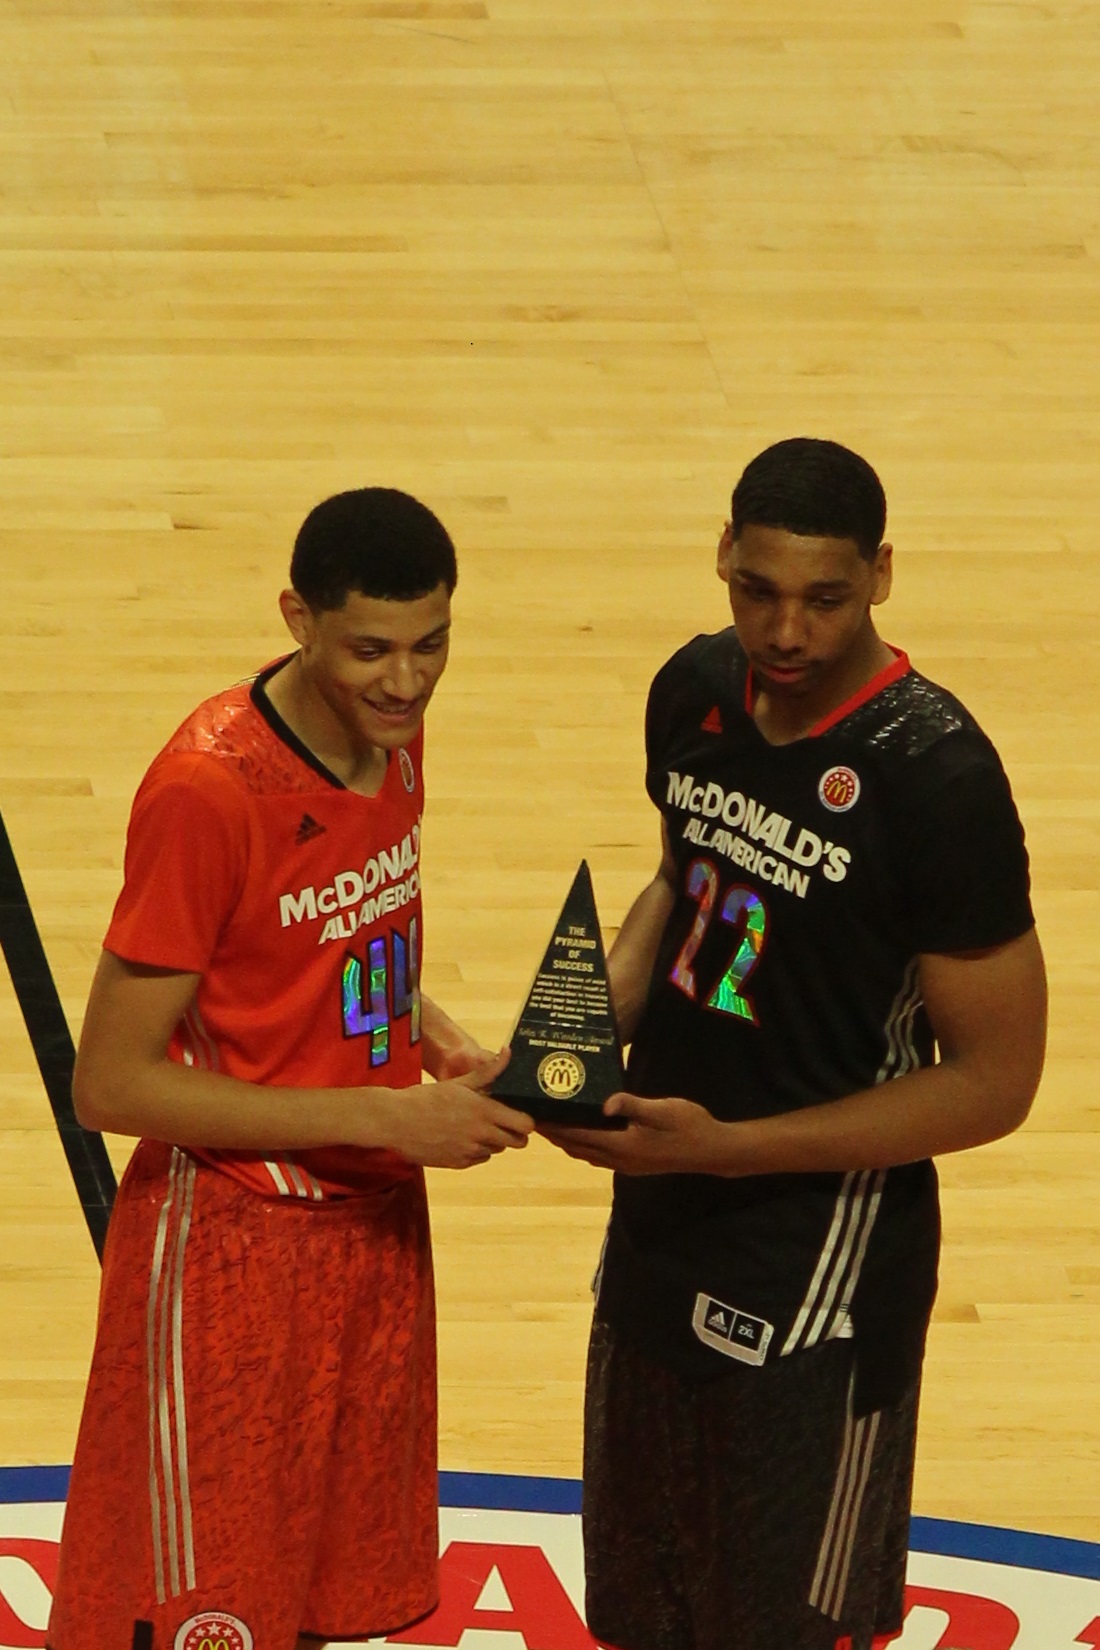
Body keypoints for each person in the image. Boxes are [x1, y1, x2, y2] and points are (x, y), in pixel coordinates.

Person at [545, 439, 1046, 1650]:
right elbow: (680, 875)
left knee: (779, 1631)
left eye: (821, 598)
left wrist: (733, 1151)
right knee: (640, 1612)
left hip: (819, 1277)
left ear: (879, 574)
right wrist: (573, 1039)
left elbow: (993, 1084)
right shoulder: (692, 692)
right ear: (721, 557)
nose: (783, 630)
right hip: (658, 1212)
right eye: (756, 589)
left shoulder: (938, 781)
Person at [47, 488, 534, 1650]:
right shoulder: (210, 791)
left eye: (431, 647)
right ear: (297, 619)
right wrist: (385, 1111)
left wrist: (436, 1038)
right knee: (207, 1621)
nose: (406, 683)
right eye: (370, 650)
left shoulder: (386, 736)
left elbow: (325, 933)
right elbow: (110, 1083)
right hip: (232, 1245)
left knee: (321, 1600)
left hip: (369, 1231)